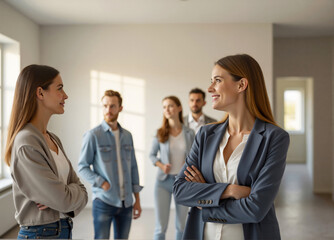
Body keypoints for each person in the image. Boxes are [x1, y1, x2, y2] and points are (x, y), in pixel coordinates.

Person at [173, 54, 290, 240]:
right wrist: (229, 191)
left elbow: (256, 208)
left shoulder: (274, 138)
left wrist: (206, 200)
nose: (210, 88)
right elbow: (180, 191)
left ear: (241, 85)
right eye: (211, 81)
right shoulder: (205, 135)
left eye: (217, 80)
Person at [4, 65, 88, 239]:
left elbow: (82, 191)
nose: (66, 95)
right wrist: (65, 195)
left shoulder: (53, 138)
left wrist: (63, 194)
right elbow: (64, 201)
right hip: (40, 234)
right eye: (60, 88)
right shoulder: (26, 142)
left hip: (62, 230)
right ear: (40, 93)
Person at [78, 90, 143, 239]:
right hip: (104, 201)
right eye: (105, 106)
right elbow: (82, 166)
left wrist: (137, 200)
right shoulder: (93, 135)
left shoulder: (127, 135)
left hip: (126, 203)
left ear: (120, 108)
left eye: (113, 106)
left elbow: (133, 167)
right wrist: (101, 182)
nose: (108, 110)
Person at [150, 96, 195, 240]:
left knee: (182, 226)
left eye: (170, 106)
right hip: (163, 182)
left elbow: (195, 157)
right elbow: (152, 155)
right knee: (160, 226)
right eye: (164, 107)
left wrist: (187, 164)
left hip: (183, 182)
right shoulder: (160, 133)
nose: (167, 110)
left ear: (179, 108)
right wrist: (162, 165)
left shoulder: (189, 133)